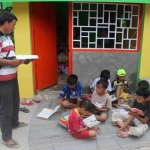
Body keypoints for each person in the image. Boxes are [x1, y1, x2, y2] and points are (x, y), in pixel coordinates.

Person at [0, 12, 32, 148]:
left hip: (13, 76)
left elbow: (9, 56)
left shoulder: (7, 37)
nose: (14, 27)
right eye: (13, 25)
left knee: (14, 103)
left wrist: (21, 61)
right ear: (6, 23)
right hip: (3, 79)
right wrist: (12, 62)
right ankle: (7, 138)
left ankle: (14, 123)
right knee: (6, 108)